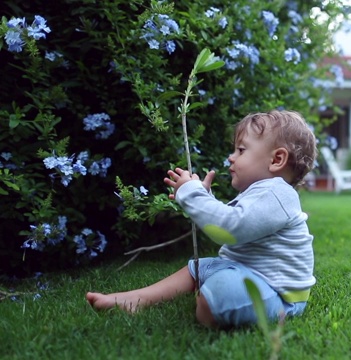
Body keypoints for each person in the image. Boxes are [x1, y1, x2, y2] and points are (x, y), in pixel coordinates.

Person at [86, 110, 317, 329]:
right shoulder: (263, 193)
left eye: (241, 150)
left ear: (277, 159)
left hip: (278, 296)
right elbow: (231, 219)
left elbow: (228, 229)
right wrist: (205, 198)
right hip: (249, 274)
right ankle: (136, 299)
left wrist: (192, 194)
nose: (231, 157)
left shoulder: (278, 193)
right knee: (199, 268)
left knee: (223, 288)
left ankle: (211, 306)